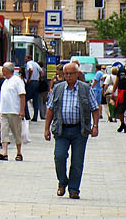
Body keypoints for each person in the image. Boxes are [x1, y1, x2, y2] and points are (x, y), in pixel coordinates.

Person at [44, 62, 100, 200]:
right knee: (59, 156)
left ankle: (74, 189)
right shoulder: (58, 88)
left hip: (79, 130)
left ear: (77, 74)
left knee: (77, 161)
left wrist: (95, 126)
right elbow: (50, 109)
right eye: (66, 74)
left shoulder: (85, 89)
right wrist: (46, 129)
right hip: (61, 129)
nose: (68, 76)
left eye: (71, 74)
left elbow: (95, 108)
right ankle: (62, 182)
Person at [0, 62, 26, 162]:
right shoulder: (5, 82)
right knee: (4, 132)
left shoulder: (17, 81)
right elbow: (4, 96)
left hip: (14, 111)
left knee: (17, 132)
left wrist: (22, 110)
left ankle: (19, 152)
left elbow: (22, 95)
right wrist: (0, 108)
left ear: (7, 70)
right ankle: (5, 153)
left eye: (3, 69)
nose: (2, 71)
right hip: (4, 111)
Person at [24, 55, 43, 121]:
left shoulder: (29, 63)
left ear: (28, 58)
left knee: (24, 98)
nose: (25, 59)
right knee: (35, 100)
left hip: (31, 82)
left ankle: (27, 115)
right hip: (36, 82)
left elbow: (31, 69)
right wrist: (39, 78)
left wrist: (29, 78)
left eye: (25, 58)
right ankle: (35, 116)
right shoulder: (36, 64)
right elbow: (41, 72)